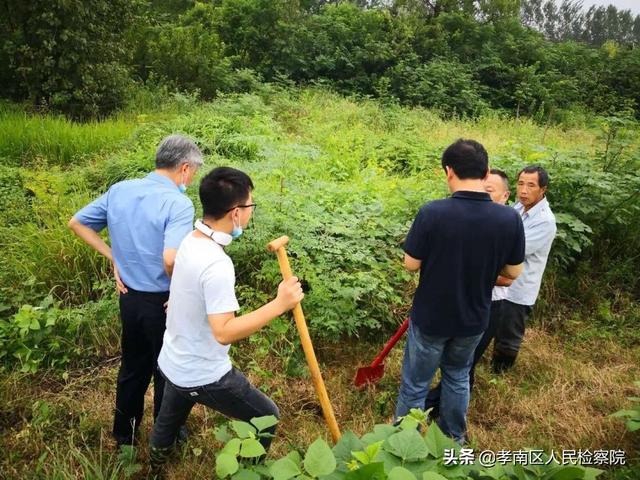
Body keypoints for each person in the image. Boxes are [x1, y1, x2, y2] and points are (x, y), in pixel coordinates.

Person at [149, 167, 303, 467]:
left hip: (173, 360)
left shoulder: (191, 241)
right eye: (250, 207)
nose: (249, 213)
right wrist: (279, 303)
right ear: (235, 213)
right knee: (267, 415)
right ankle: (248, 472)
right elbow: (224, 331)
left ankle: (154, 464)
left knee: (168, 422)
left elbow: (184, 293)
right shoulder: (217, 263)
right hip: (202, 373)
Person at [68, 135, 203, 446]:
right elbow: (171, 259)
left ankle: (124, 435)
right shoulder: (178, 203)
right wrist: (184, 292)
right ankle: (166, 436)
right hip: (164, 302)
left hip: (129, 297)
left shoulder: (120, 191)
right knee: (168, 369)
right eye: (193, 173)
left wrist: (114, 255)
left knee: (132, 367)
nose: (191, 179)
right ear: (184, 168)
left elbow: (77, 223)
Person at [394, 140, 525, 444]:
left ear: (448, 171)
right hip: (473, 318)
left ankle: (403, 443)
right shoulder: (507, 218)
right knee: (457, 376)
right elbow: (513, 272)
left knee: (415, 383)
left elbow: (411, 264)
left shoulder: (432, 212)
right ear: (486, 171)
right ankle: (454, 439)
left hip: (431, 317)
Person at [423, 168, 515, 417]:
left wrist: (465, 274)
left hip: (487, 304)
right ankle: (442, 409)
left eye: (490, 190)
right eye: (482, 187)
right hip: (453, 303)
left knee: (463, 366)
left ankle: (448, 418)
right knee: (457, 366)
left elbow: (508, 278)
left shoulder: (507, 224)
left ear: (505, 195)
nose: (483, 193)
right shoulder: (469, 219)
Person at [492, 165, 556, 372]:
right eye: (520, 184)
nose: (524, 190)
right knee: (494, 324)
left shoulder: (544, 221)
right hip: (502, 284)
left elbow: (515, 251)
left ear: (542, 189)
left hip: (519, 288)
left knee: (509, 335)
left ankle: (501, 373)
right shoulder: (517, 208)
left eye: (531, 185)